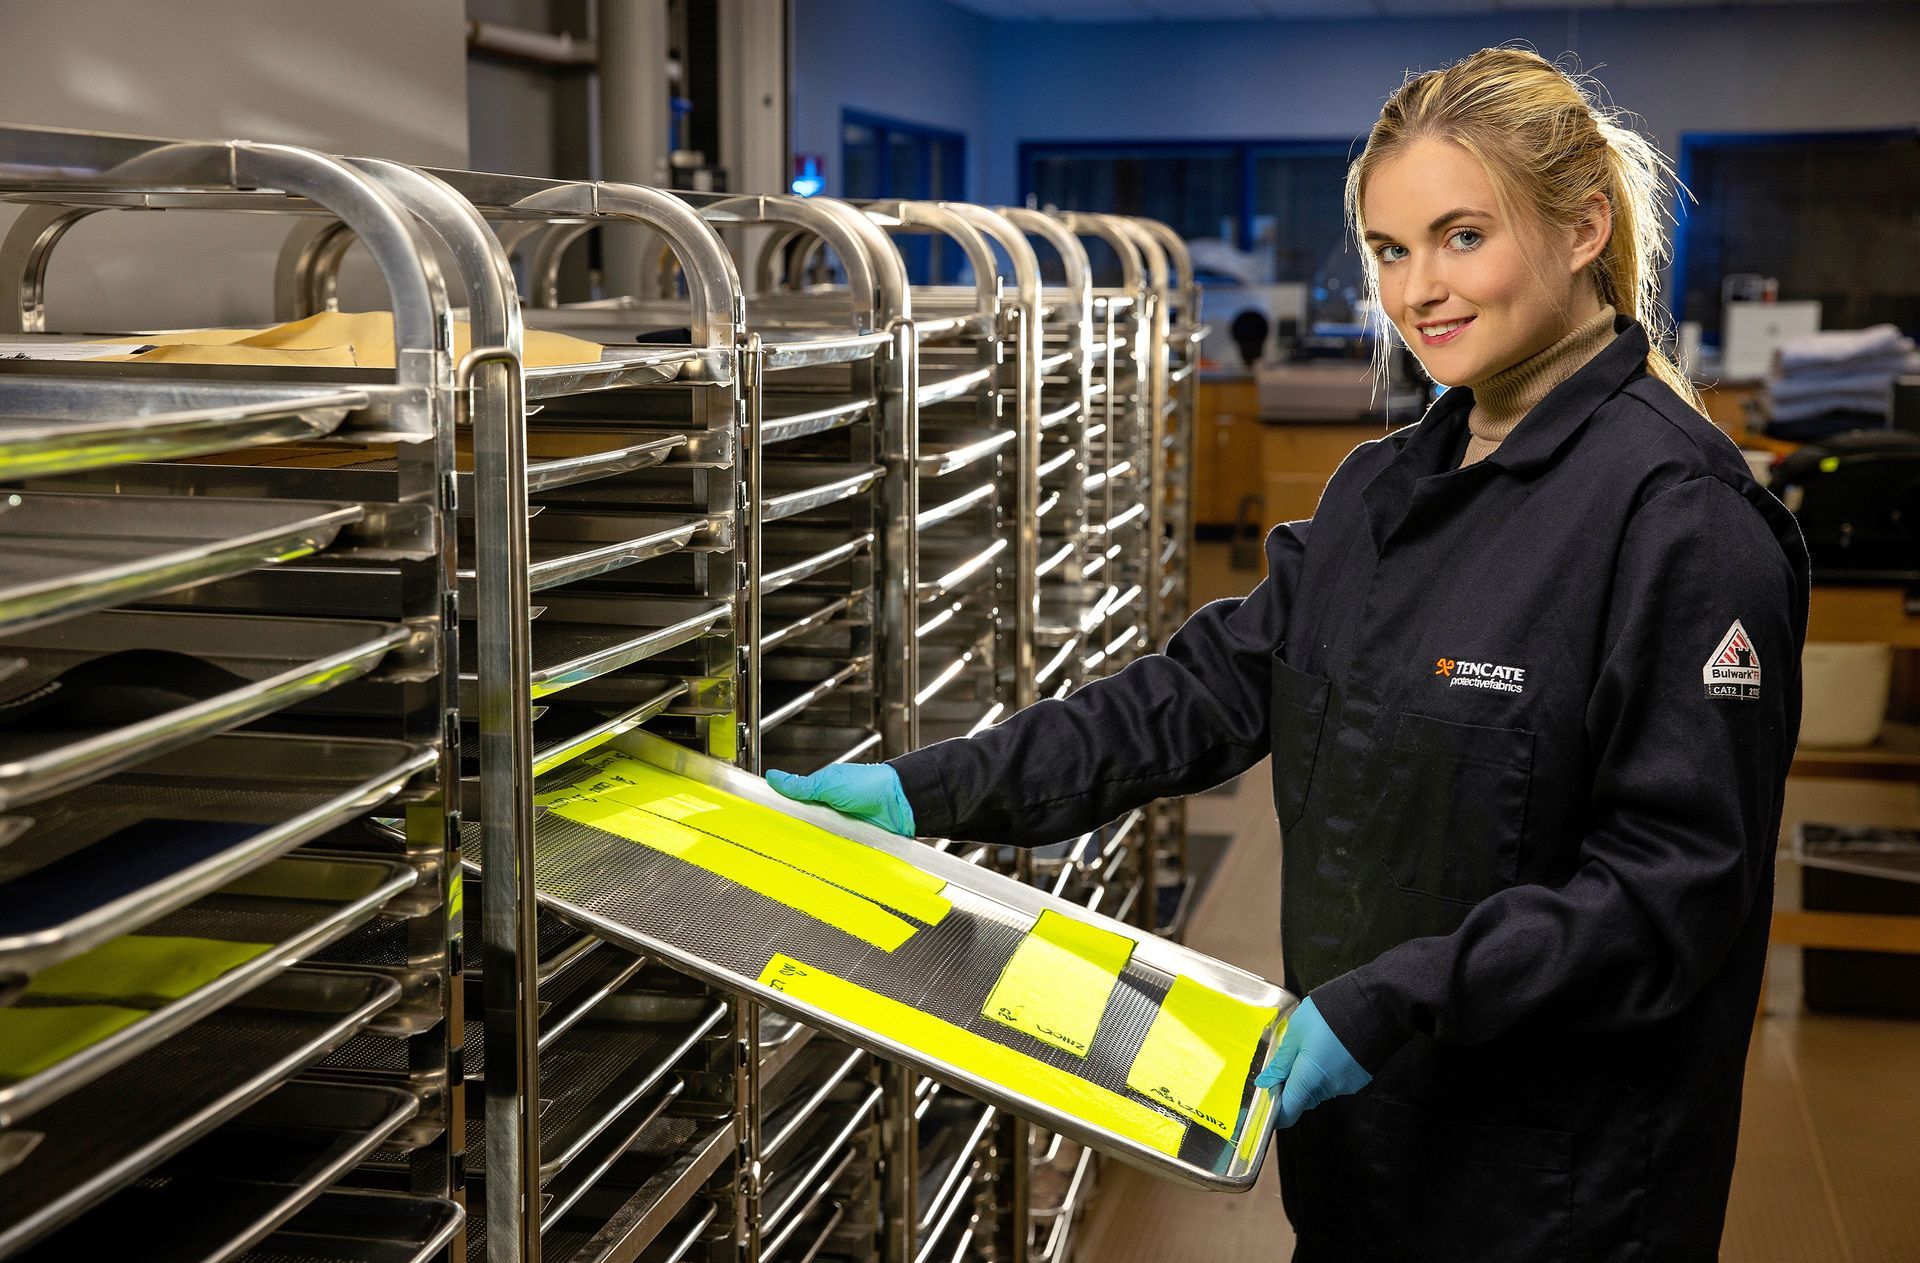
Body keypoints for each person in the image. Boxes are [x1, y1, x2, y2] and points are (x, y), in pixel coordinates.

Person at [771, 47, 1807, 1261]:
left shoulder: (1682, 518)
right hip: (1361, 1160)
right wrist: (920, 789)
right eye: (1388, 248)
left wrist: (1392, 1003)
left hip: (1555, 1193)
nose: (1418, 289)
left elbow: (1670, 894)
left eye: (1462, 236)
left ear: (1584, 229)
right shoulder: (1386, 488)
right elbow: (1193, 697)